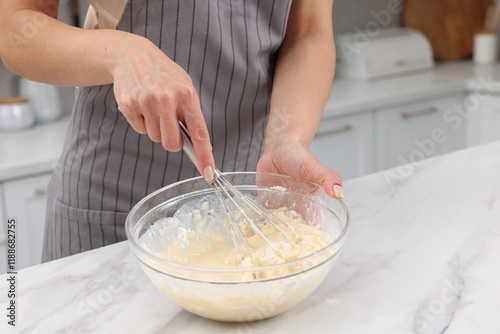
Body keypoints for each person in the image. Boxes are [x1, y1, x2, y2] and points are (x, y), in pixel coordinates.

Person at [0, 0, 343, 261]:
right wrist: (121, 53)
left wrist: (287, 138)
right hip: (110, 209)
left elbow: (308, 31)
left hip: (247, 204)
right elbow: (15, 28)